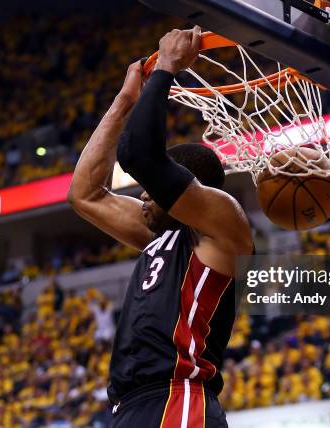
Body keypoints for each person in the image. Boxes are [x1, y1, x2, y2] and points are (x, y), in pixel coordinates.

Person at [67, 26, 253, 427]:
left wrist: (167, 67)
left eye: (153, 189)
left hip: (179, 397)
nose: (143, 195)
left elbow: (140, 155)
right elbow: (85, 194)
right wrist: (122, 102)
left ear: (182, 189)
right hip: (127, 407)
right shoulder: (160, 234)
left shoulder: (223, 228)